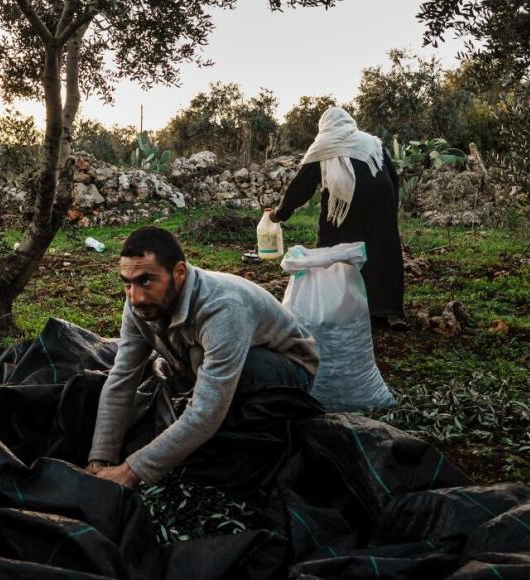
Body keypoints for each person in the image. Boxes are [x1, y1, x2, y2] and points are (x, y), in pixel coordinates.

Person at [87, 226, 319, 487]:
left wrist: (131, 471)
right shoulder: (139, 306)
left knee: (202, 369)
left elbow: (206, 411)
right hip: (209, 365)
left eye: (146, 281)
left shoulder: (223, 307)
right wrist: (101, 458)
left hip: (289, 371)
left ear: (179, 273)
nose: (135, 297)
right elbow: (122, 378)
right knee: (190, 367)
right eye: (127, 283)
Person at [271, 106, 407, 329]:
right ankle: (390, 312)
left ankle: (338, 306)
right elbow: (392, 177)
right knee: (382, 248)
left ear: (324, 126)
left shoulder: (323, 145)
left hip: (343, 206)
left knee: (334, 249)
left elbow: (301, 187)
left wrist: (281, 213)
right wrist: (390, 210)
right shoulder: (372, 142)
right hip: (381, 200)